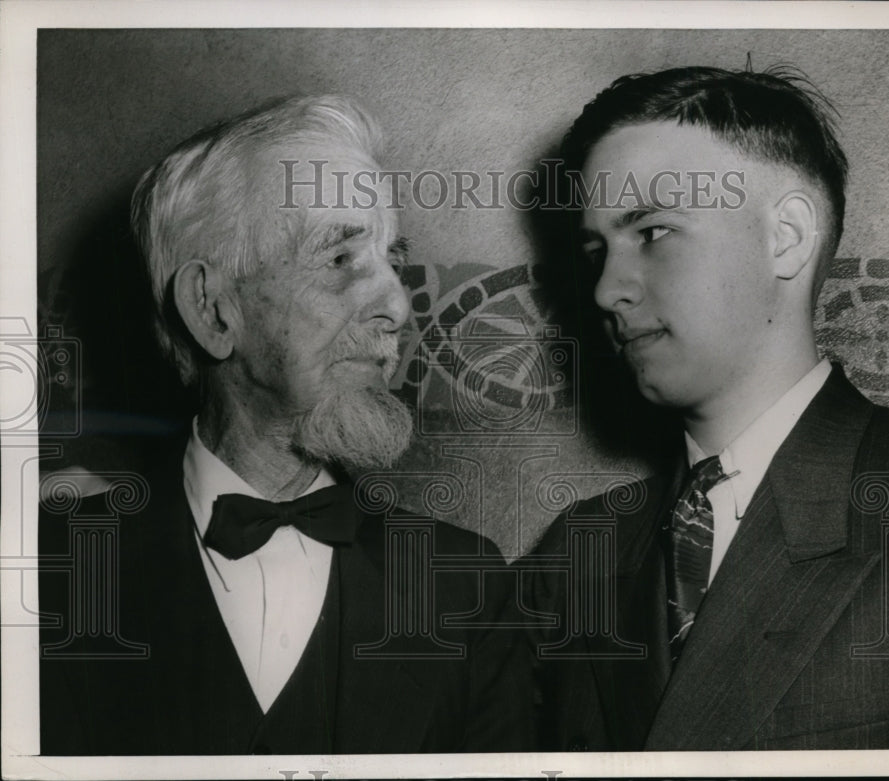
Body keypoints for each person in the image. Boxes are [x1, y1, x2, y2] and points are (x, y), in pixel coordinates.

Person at [38, 95, 531, 755]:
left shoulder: (466, 584)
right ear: (212, 310)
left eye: (393, 261)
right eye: (340, 260)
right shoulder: (47, 570)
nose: (396, 303)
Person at [525, 66, 889, 750]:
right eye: (596, 250)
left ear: (786, 236)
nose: (608, 289)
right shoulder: (575, 554)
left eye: (653, 231)